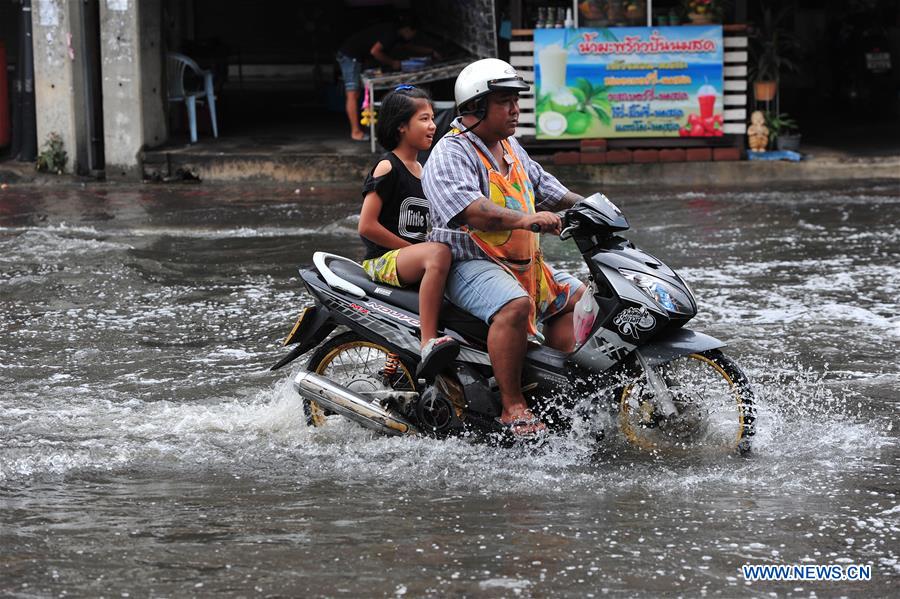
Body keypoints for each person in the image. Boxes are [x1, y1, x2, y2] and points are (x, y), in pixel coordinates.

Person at [422, 58, 586, 438]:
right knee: (514, 305)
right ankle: (513, 406)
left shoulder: (510, 146)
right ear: (476, 107)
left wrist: (593, 206)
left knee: (580, 299)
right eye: (504, 102)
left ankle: (552, 390)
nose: (515, 110)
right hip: (469, 262)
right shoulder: (451, 153)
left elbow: (549, 189)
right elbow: (473, 211)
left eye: (516, 101)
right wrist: (525, 219)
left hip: (523, 261)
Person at [358, 85, 459, 379]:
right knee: (439, 253)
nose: (432, 126)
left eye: (432, 118)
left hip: (416, 261)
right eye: (424, 119)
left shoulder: (425, 170)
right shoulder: (388, 166)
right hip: (383, 261)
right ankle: (428, 341)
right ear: (402, 126)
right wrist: (408, 248)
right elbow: (366, 225)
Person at [336, 17, 438, 142]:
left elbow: (408, 47)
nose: (412, 36)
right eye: (413, 33)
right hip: (350, 56)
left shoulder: (397, 34)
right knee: (352, 94)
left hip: (357, 57)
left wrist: (431, 52)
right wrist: (393, 62)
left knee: (356, 94)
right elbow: (375, 51)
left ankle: (360, 129)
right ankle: (355, 132)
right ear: (407, 29)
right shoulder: (390, 33)